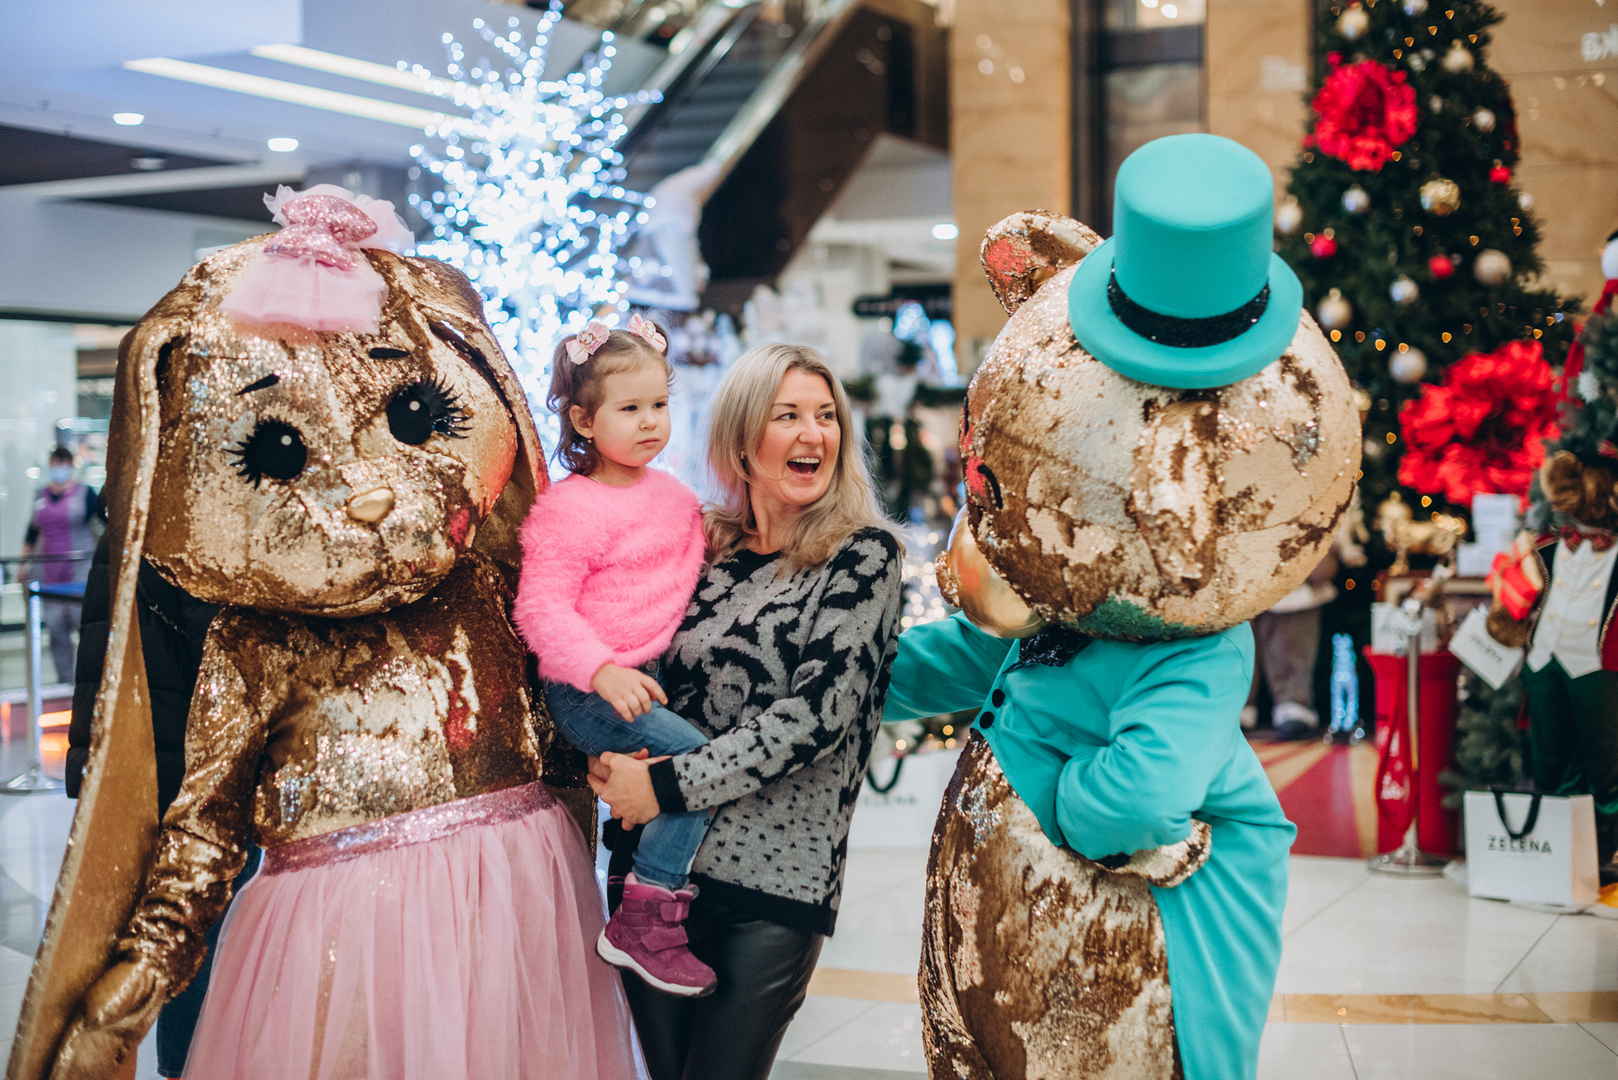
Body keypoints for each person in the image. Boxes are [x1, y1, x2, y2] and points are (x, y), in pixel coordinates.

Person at [589, 343, 904, 1080]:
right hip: (651, 878)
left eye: (826, 417)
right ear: (741, 438)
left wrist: (661, 786)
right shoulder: (701, 547)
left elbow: (817, 717)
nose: (813, 434)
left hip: (772, 885)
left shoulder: (862, 557)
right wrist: (611, 755)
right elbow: (639, 670)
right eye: (787, 415)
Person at [513, 314, 715, 997]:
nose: (651, 421)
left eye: (659, 404)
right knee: (698, 767)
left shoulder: (675, 496)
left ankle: (644, 892)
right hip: (589, 686)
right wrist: (600, 668)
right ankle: (645, 913)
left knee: (667, 785)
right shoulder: (570, 509)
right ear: (584, 419)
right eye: (630, 408)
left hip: (646, 681)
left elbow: (696, 564)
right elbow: (540, 609)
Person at [22, 446, 98, 682]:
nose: (59, 469)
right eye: (55, 463)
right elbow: (32, 531)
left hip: (79, 576)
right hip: (49, 575)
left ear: (70, 465)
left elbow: (102, 526)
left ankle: (89, 680)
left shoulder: (85, 494)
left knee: (84, 628)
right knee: (56, 632)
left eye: (63, 463)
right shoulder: (40, 496)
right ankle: (65, 681)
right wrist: (23, 563)